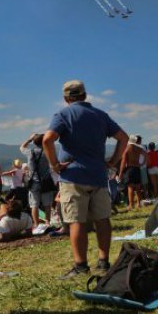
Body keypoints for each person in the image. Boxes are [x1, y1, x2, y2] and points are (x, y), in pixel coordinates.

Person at [43, 80, 128, 279]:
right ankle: (104, 261)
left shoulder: (63, 115)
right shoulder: (100, 115)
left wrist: (55, 165)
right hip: (98, 175)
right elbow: (123, 138)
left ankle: (81, 266)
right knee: (103, 219)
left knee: (76, 222)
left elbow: (47, 139)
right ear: (85, 95)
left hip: (73, 176)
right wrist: (113, 161)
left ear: (66, 98)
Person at [21, 134, 56, 227]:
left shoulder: (30, 152)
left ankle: (36, 224)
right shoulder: (47, 152)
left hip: (34, 182)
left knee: (34, 205)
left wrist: (30, 139)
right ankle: (47, 222)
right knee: (47, 204)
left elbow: (22, 147)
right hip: (46, 181)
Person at [118, 135, 146, 209]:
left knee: (130, 187)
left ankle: (131, 205)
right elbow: (146, 157)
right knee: (138, 187)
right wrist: (141, 164)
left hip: (130, 168)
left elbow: (123, 162)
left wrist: (120, 173)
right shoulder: (140, 149)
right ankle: (139, 204)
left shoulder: (127, 148)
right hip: (137, 168)